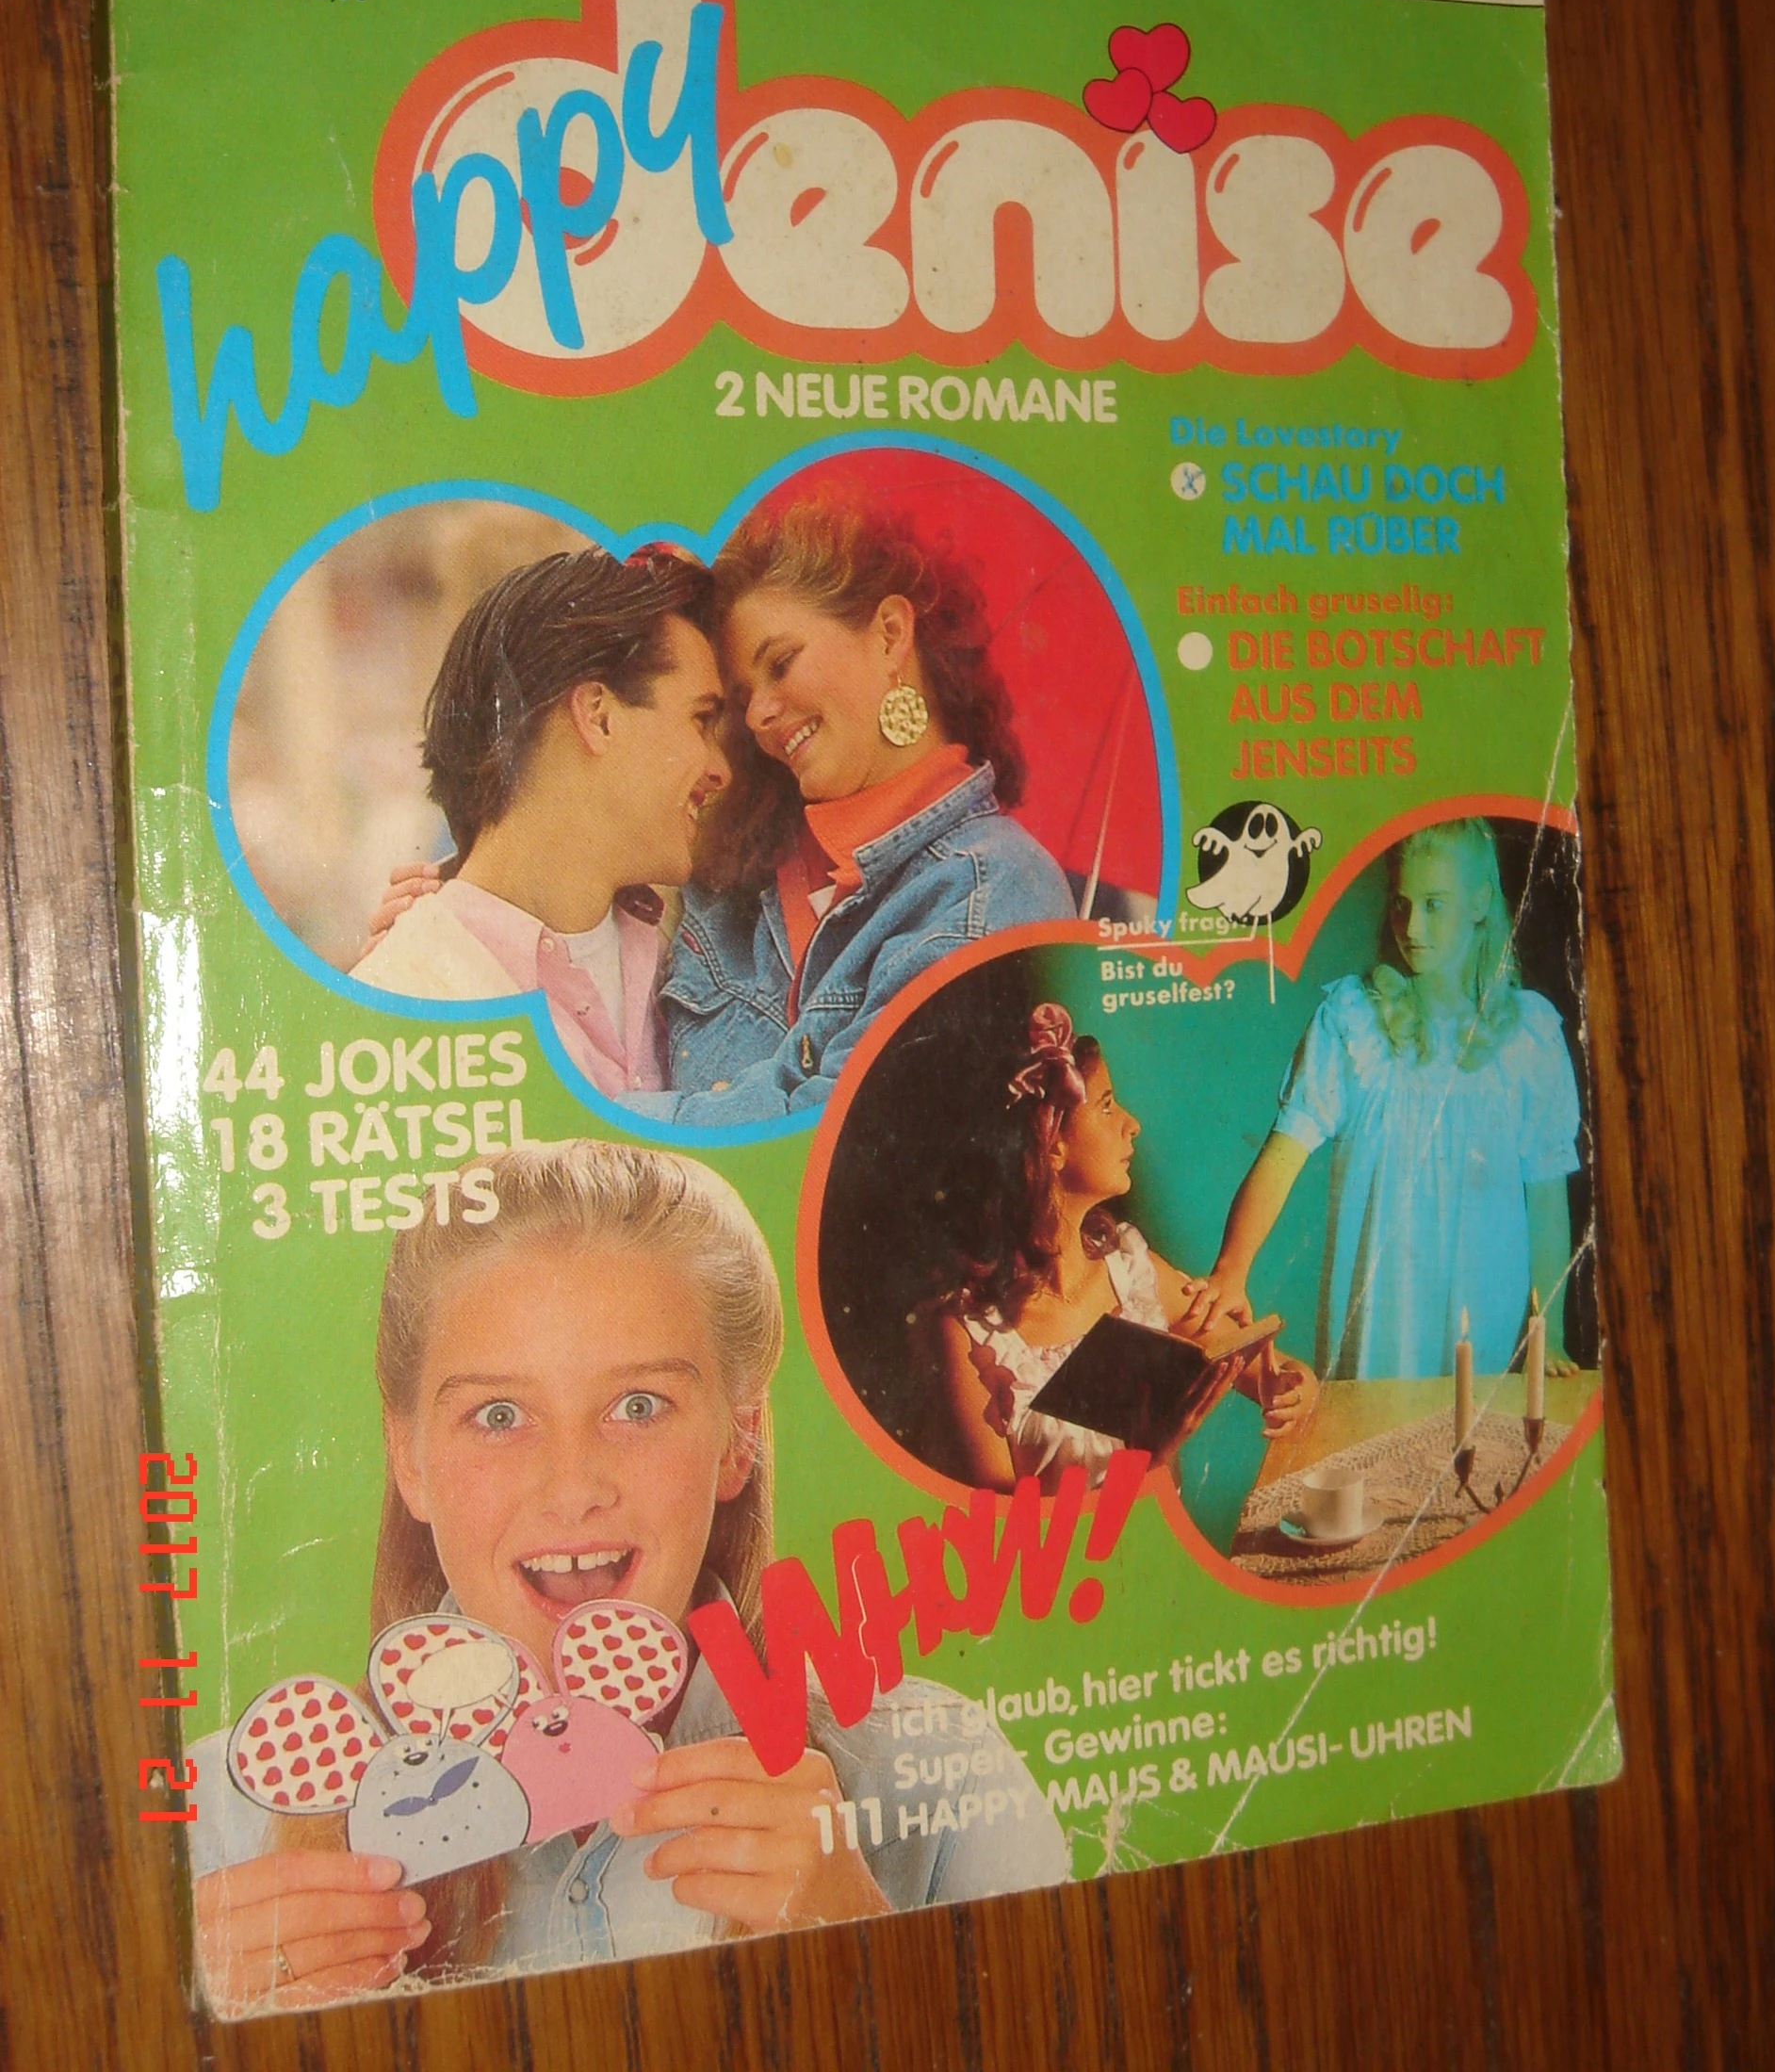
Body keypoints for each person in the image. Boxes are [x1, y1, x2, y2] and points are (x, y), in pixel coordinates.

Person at [187, 1141, 1067, 2014]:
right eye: (499, 1415)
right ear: (408, 1459)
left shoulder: (940, 1776)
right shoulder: (223, 1821)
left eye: (638, 1407)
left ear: (737, 1440)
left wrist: (874, 1969)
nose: (573, 1488)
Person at [635, 497, 1075, 1123]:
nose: (757, 716)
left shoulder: (996, 885)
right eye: (742, 697)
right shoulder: (725, 887)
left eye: (781, 664)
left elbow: (839, 1127)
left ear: (890, 635)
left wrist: (615, 1121)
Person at [1213, 818, 1584, 1380]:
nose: (1412, 926)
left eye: (1434, 905)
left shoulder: (1527, 1036)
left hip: (1485, 1319)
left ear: (1480, 902)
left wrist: (1548, 1332)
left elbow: (1548, 1197)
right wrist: (1230, 1270)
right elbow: (1282, 1156)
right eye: (1401, 904)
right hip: (1377, 1324)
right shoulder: (1353, 1021)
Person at [350, 547, 729, 1098]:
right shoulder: (400, 1011)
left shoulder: (696, 951)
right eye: (701, 719)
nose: (721, 770)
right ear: (597, 716)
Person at [918, 1004, 1316, 1493]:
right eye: (1106, 1106)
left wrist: (1294, 1385)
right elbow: (1003, 1527)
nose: (1133, 1124)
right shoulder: (967, 1332)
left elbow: (1268, 1370)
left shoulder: (1133, 1273)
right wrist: (1149, 1459)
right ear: (1051, 1143)